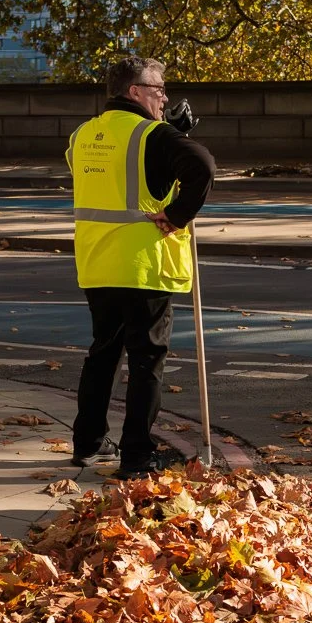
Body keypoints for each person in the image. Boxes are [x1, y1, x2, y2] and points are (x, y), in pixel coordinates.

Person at [66, 56, 215, 479]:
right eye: (158, 89)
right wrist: (178, 214)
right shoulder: (153, 135)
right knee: (146, 361)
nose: (165, 97)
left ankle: (88, 443)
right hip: (144, 264)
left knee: (103, 354)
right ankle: (137, 457)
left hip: (98, 262)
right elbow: (202, 167)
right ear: (135, 91)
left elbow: (114, 175)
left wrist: (167, 133)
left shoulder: (82, 135)